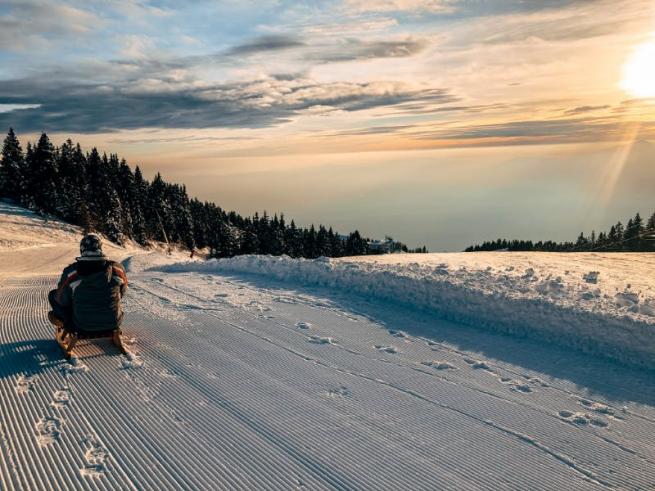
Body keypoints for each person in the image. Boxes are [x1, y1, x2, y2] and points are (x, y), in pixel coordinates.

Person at [48, 234, 128, 338]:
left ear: (82, 250)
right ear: (100, 248)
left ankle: (68, 324)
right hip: (114, 322)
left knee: (53, 295)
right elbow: (122, 291)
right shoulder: (117, 269)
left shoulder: (72, 272)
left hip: (82, 325)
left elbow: (61, 300)